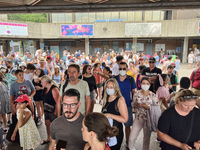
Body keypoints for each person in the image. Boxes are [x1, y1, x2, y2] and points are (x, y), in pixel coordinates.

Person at [129, 77, 159, 150]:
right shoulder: (137, 93)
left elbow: (157, 109)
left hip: (148, 120)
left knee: (146, 140)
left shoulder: (153, 95)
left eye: (147, 83)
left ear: (149, 85)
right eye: (143, 83)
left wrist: (148, 107)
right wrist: (136, 105)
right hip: (138, 118)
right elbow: (133, 104)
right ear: (140, 84)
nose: (145, 85)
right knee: (131, 138)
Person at [102, 78, 128, 150]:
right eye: (107, 87)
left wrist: (110, 115)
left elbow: (125, 119)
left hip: (116, 133)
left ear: (115, 89)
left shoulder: (120, 100)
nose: (109, 89)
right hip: (106, 132)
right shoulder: (105, 99)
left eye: (111, 87)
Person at [114, 62, 136, 145]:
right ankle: (117, 142)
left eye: (124, 68)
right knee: (116, 126)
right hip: (116, 107)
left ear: (127, 69)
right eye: (120, 68)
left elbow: (133, 92)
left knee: (127, 126)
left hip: (128, 106)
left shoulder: (131, 79)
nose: (122, 70)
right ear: (118, 69)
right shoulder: (115, 79)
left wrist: (133, 105)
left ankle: (128, 142)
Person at [40, 75, 59, 145]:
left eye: (41, 82)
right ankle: (48, 138)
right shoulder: (45, 88)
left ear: (45, 82)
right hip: (46, 110)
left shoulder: (54, 89)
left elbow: (58, 102)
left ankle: (55, 142)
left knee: (53, 127)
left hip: (53, 111)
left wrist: (56, 112)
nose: (41, 83)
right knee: (47, 124)